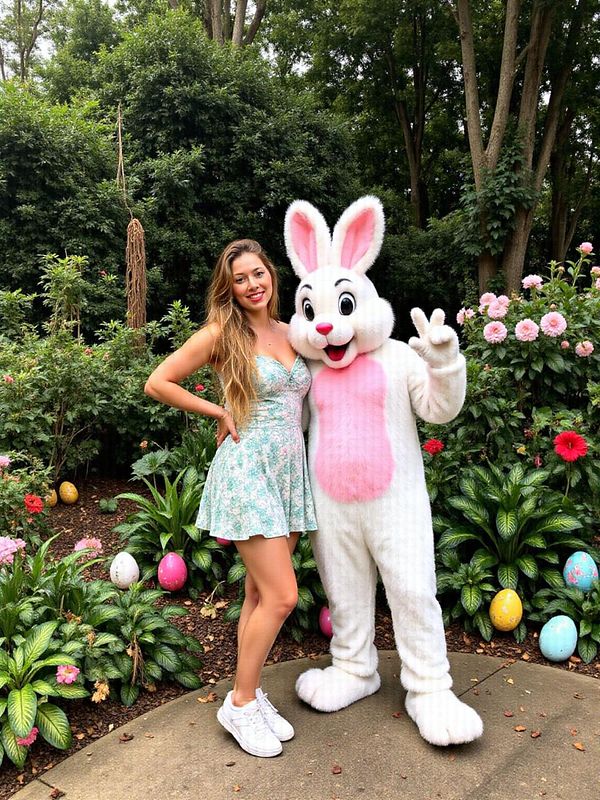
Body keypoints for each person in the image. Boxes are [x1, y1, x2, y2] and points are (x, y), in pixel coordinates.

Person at [144, 239, 317, 758]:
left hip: (288, 471)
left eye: (258, 273)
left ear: (272, 275)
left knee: (260, 597)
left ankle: (250, 691)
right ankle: (240, 705)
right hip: (247, 470)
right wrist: (218, 413)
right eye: (240, 279)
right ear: (230, 287)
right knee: (283, 597)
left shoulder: (291, 332)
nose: (252, 285)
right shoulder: (223, 333)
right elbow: (159, 382)